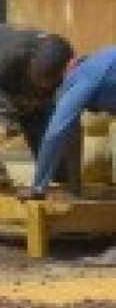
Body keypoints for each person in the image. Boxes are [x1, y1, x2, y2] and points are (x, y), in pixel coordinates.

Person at [0, 25, 73, 189]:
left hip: (18, 75)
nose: (40, 87)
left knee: (40, 123)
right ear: (30, 62)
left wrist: (74, 182)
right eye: (36, 80)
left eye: (46, 85)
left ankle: (58, 178)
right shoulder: (7, 59)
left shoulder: (66, 65)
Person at [24, 45, 116, 203]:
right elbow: (72, 136)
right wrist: (75, 190)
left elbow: (56, 133)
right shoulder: (101, 64)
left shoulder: (79, 78)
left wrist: (38, 187)